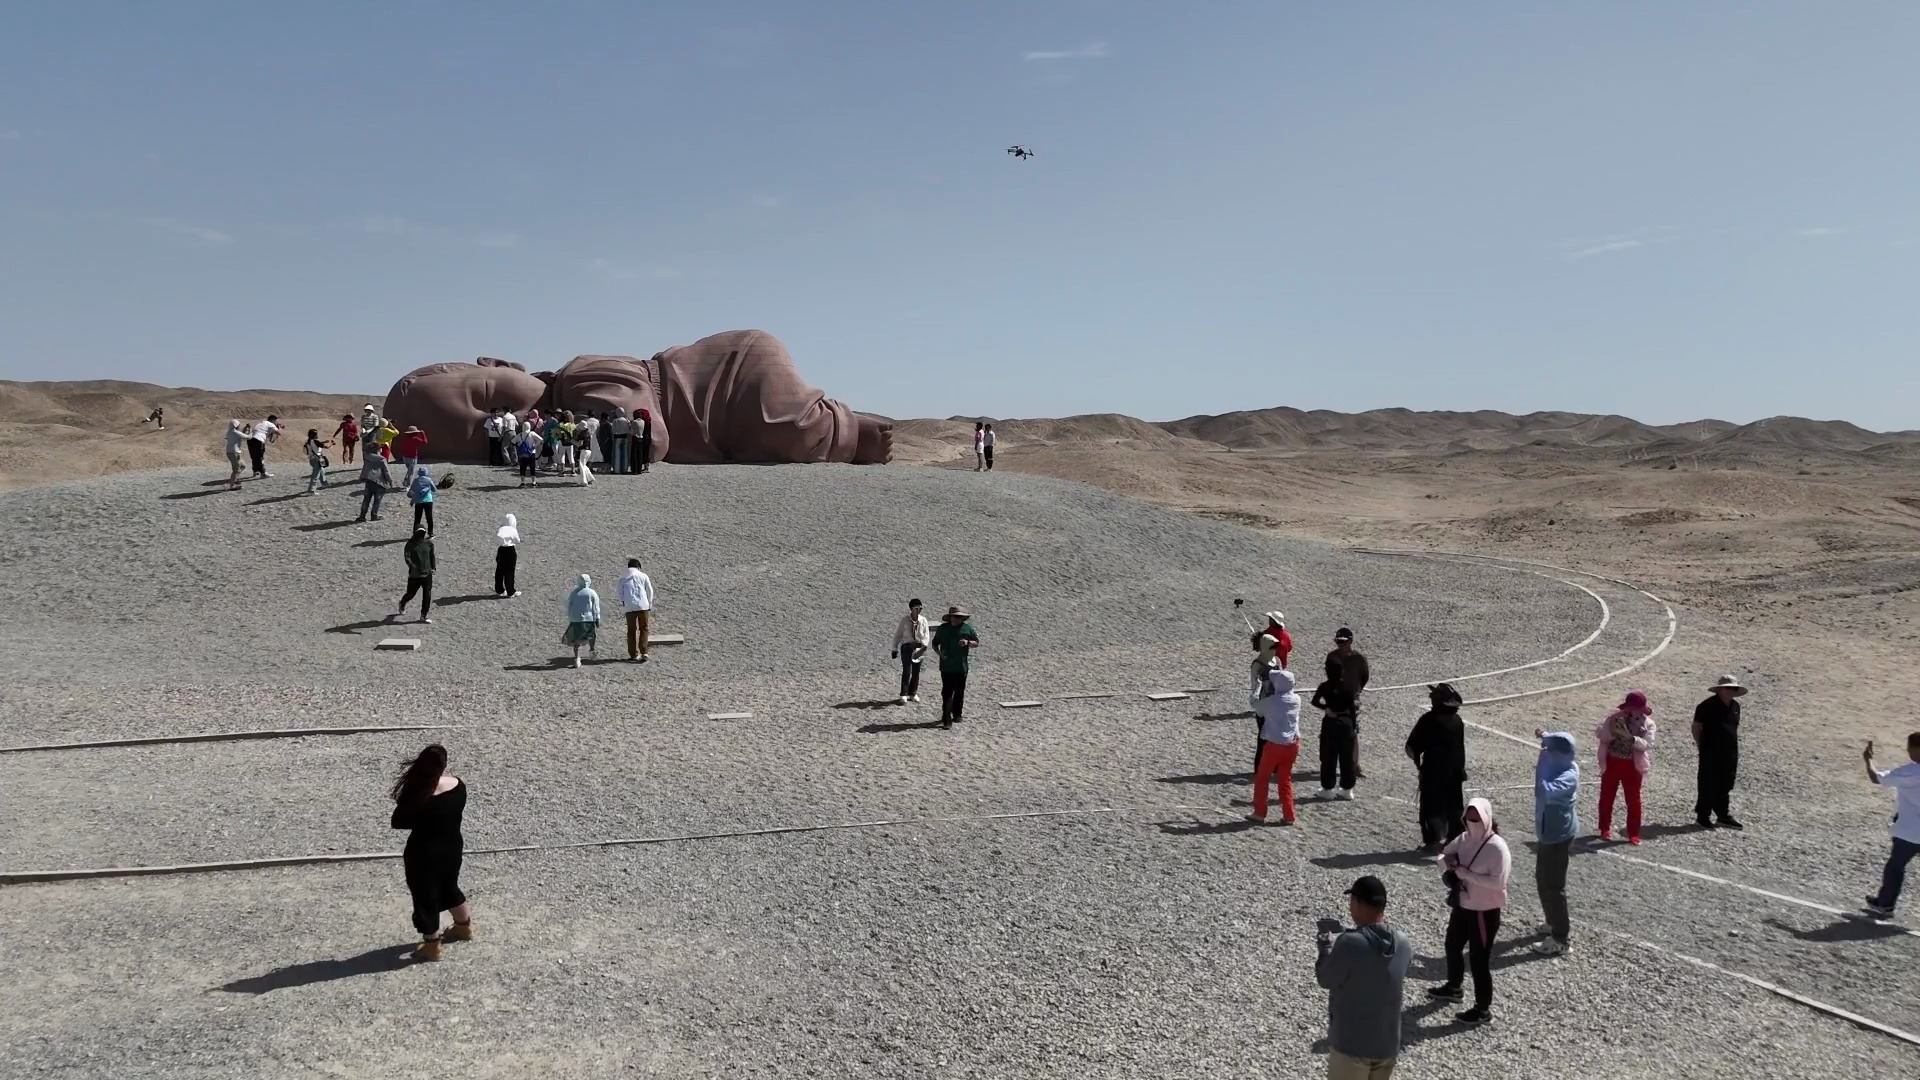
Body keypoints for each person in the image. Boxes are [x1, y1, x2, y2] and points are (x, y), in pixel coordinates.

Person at [1316, 875, 1411, 1079]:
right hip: (1387, 1046)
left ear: (1358, 903)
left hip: (1351, 1046)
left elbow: (1326, 979)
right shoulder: (1403, 942)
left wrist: (1326, 947)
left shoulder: (1349, 943)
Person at [1428, 797, 1509, 1025]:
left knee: (1479, 960)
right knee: (1452, 945)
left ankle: (1482, 1009)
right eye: (1469, 817)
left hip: (1484, 911)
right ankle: (1454, 987)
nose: (1472, 822)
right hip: (1464, 905)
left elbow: (1499, 883)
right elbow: (1443, 855)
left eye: (1477, 818)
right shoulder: (1463, 839)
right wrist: (1450, 866)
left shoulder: (1497, 848)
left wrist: (1467, 875)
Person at [389, 744, 471, 962]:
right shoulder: (458, 786)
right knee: (449, 886)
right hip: (453, 846)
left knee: (425, 896)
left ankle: (431, 945)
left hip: (423, 852)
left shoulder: (421, 794)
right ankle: (464, 927)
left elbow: (399, 821)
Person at [1532, 729, 1579, 956]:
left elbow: (1543, 791)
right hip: (1546, 832)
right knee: (1541, 878)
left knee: (1554, 886)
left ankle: (1561, 938)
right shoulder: (1558, 762)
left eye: (1550, 750)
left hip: (1558, 835)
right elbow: (1552, 740)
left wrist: (1541, 761)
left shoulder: (1568, 775)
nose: (1545, 752)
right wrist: (1544, 735)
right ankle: (1551, 922)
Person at [1863, 733, 1920, 918]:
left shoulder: (1910, 772)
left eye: (1909, 748)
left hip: (1911, 831)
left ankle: (1886, 904)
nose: (1907, 751)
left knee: (1895, 866)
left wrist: (1868, 760)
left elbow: (1876, 778)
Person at [1405, 684, 1467, 851]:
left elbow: (1412, 747)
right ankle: (1454, 840)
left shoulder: (1429, 720)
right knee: (1453, 808)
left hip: (1434, 772)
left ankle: (1432, 840)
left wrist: (1418, 763)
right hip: (1455, 772)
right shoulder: (1458, 722)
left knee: (1431, 807)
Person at [1595, 690, 1657, 844]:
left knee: (1633, 799)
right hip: (1612, 761)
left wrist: (1631, 738)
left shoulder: (1648, 723)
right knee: (1606, 797)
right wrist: (1612, 729)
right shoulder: (1615, 717)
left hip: (1632, 765)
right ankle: (1604, 828)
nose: (1632, 712)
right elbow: (1602, 736)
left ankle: (1633, 833)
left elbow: (1647, 745)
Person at [1249, 667, 1302, 825]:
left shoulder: (1272, 702)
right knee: (1285, 780)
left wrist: (1257, 688)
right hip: (1292, 745)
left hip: (1274, 745)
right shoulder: (1296, 699)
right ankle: (1289, 815)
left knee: (1262, 778)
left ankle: (1259, 812)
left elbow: (1255, 706)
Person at [1692, 675, 1746, 829]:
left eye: (1734, 688)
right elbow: (1696, 727)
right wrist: (1701, 745)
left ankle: (1723, 814)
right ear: (1721, 689)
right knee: (1707, 782)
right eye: (1729, 688)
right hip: (1710, 750)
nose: (1732, 691)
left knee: (1726, 782)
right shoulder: (1706, 706)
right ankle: (1703, 815)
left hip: (1730, 750)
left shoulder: (1735, 707)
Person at [1312, 661, 1359, 800]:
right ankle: (1347, 788)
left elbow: (1315, 701)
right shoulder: (1348, 687)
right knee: (1347, 758)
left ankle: (1327, 788)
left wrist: (1326, 708)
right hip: (1346, 723)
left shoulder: (1324, 686)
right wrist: (1354, 726)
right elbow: (1352, 709)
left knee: (1328, 756)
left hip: (1330, 723)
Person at [1328, 629, 1372, 777]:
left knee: (1353, 732)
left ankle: (1354, 764)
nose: (1341, 645)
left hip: (1352, 700)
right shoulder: (1332, 657)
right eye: (1339, 642)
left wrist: (1356, 692)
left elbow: (1364, 677)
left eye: (1344, 642)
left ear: (1350, 642)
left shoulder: (1359, 659)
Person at [930, 605, 980, 728]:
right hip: (946, 667)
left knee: (959, 691)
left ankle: (957, 714)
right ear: (951, 617)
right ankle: (946, 719)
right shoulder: (943, 629)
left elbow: (976, 643)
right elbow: (935, 644)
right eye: (955, 616)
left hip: (961, 666)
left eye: (960, 617)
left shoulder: (967, 629)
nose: (957, 619)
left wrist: (967, 643)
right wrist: (940, 654)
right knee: (947, 692)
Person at [891, 599, 931, 704]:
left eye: (920, 608)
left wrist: (924, 646)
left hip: (919, 648)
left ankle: (913, 693)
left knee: (916, 671)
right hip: (907, 647)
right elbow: (898, 635)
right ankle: (903, 694)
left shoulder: (923, 620)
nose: (919, 611)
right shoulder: (904, 620)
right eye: (916, 608)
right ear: (911, 609)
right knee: (907, 670)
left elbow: (926, 635)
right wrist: (894, 648)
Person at [395, 527, 435, 623]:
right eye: (419, 532)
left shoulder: (429, 544)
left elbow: (432, 556)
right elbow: (407, 557)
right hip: (415, 575)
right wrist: (414, 568)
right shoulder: (410, 544)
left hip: (427, 574)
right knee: (411, 594)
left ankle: (423, 615)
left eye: (423, 532)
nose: (421, 534)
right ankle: (403, 602)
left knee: (427, 595)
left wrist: (433, 568)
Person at [620, 558, 654, 662]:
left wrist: (623, 603)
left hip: (629, 607)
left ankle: (633, 654)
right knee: (644, 628)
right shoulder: (643, 576)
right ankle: (644, 651)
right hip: (643, 605)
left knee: (631, 631)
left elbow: (619, 593)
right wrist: (650, 603)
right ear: (638, 567)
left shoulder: (623, 578)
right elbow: (650, 590)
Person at [563, 573, 601, 668]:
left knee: (577, 640)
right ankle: (592, 652)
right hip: (589, 618)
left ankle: (577, 658)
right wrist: (597, 618)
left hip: (576, 619)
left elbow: (569, 606)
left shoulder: (574, 593)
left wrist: (570, 618)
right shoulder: (592, 593)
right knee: (592, 636)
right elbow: (596, 608)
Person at [357, 445, 395, 522]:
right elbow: (386, 471)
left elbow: (365, 469)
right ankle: (374, 515)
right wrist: (390, 482)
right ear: (378, 450)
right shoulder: (382, 459)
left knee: (366, 499)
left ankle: (362, 516)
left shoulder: (367, 458)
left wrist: (362, 478)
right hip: (379, 482)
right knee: (377, 500)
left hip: (369, 481)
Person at [494, 514, 520, 597]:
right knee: (509, 572)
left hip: (501, 550)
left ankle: (499, 590)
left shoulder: (501, 529)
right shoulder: (512, 530)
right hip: (510, 551)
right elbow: (517, 540)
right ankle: (510, 591)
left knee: (499, 571)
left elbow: (497, 539)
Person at [408, 464, 438, 537]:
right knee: (429, 517)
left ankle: (415, 533)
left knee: (417, 518)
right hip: (428, 500)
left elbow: (412, 491)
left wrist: (412, 500)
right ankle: (430, 533)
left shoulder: (416, 480)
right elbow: (434, 489)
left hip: (418, 501)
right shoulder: (428, 480)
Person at [302, 429, 332, 494]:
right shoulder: (315, 441)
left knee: (321, 471)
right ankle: (311, 490)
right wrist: (331, 444)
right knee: (315, 475)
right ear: (315, 435)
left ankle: (324, 483)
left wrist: (324, 441)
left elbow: (316, 444)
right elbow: (326, 447)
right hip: (317, 459)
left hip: (312, 459)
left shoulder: (308, 441)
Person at [224, 419, 248, 490]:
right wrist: (250, 433)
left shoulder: (229, 432)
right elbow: (248, 437)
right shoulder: (235, 432)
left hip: (230, 452)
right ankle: (232, 485)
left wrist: (244, 432)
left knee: (242, 466)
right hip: (234, 453)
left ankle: (234, 479)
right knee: (236, 470)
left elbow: (239, 437)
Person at [608, 407, 631, 474]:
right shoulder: (626, 420)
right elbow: (629, 429)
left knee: (617, 454)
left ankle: (617, 470)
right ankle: (624, 469)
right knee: (625, 454)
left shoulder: (615, 420)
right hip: (625, 437)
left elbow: (612, 430)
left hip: (617, 437)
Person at [634, 408, 653, 473]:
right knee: (646, 452)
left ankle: (642, 467)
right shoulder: (648, 421)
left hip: (642, 438)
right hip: (648, 438)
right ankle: (646, 467)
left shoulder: (642, 422)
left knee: (642, 453)